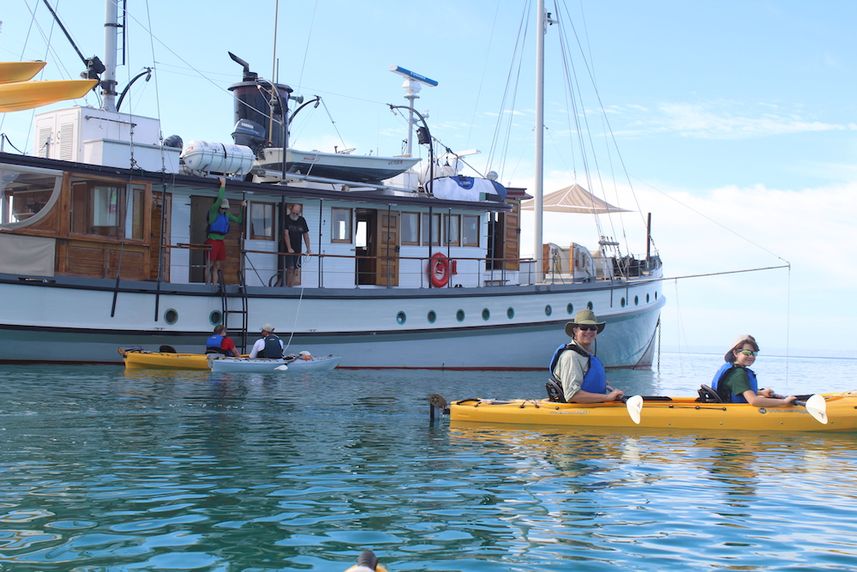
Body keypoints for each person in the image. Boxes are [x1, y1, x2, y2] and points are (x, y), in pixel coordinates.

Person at [547, 309, 625, 403]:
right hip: (578, 412)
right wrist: (608, 397)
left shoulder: (586, 355)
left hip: (594, 408)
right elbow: (572, 395)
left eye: (593, 328)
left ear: (596, 331)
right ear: (575, 331)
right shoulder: (571, 356)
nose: (589, 331)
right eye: (584, 327)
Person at [711, 335, 796, 406]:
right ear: (736, 353)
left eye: (754, 353)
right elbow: (754, 401)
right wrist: (784, 402)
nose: (751, 356)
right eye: (747, 352)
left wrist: (761, 393)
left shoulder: (732, 368)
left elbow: (738, 390)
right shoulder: (738, 374)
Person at [206, 177, 244, 285]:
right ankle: (207, 285)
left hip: (221, 242)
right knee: (209, 264)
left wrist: (241, 208)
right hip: (212, 240)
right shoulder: (213, 212)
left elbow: (239, 220)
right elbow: (219, 199)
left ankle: (214, 284)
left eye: (225, 208)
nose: (224, 210)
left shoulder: (227, 214)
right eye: (222, 208)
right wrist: (223, 185)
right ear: (219, 207)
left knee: (217, 265)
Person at [283, 203, 311, 287]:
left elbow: (305, 235)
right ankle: (288, 288)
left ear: (300, 213)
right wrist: (289, 248)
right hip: (288, 248)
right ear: (291, 210)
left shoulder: (302, 220)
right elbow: (286, 234)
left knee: (296, 269)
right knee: (290, 268)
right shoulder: (286, 218)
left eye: (297, 213)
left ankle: (290, 287)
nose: (295, 215)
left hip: (298, 248)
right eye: (293, 212)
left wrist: (308, 248)